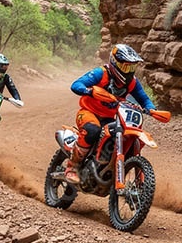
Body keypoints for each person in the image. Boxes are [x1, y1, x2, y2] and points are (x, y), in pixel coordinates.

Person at [65, 44, 156, 184]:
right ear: (115, 63)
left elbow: (144, 99)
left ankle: (117, 169)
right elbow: (76, 85)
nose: (129, 71)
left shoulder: (132, 82)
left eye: (132, 67)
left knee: (126, 137)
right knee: (92, 130)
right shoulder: (101, 73)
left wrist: (151, 109)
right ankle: (72, 167)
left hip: (109, 118)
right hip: (89, 113)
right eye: (126, 67)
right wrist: (89, 91)